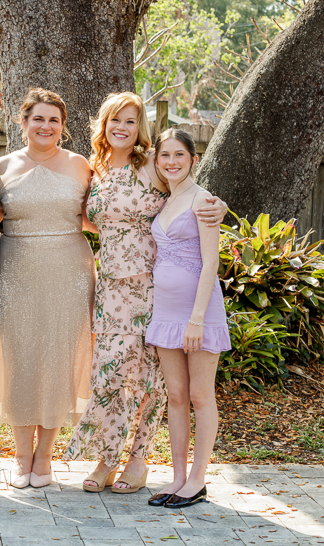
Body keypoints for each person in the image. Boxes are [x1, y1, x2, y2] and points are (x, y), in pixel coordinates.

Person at [63, 93, 227, 494]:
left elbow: (186, 188)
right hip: (110, 288)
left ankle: (137, 461)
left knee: (149, 378)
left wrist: (217, 206)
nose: (122, 127)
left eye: (131, 121)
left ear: (140, 130)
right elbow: (89, 219)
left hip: (153, 288)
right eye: (115, 120)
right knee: (110, 372)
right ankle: (105, 458)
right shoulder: (95, 169)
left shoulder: (150, 165)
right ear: (103, 124)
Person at [0, 88, 95, 489]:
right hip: (16, 270)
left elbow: (95, 218)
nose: (46, 126)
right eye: (38, 119)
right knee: (20, 359)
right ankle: (21, 456)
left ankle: (45, 456)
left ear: (62, 126)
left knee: (58, 359)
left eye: (54, 120)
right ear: (22, 121)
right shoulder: (2, 167)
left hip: (69, 269)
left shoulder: (81, 166)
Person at [145, 128, 231, 509]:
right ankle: (177, 477)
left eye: (180, 155)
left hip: (198, 313)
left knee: (199, 395)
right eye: (165, 155)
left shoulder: (204, 201)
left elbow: (211, 262)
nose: (172, 162)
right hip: (164, 313)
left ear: (193, 159)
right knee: (176, 396)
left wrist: (196, 319)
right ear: (157, 160)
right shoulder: (164, 200)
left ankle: (197, 480)